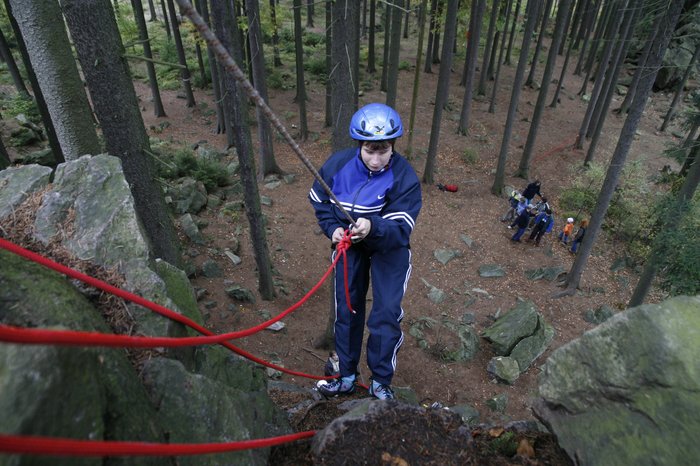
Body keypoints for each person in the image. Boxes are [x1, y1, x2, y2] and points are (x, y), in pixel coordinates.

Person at [309, 103, 422, 401]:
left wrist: (373, 227)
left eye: (382, 151)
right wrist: (332, 228)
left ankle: (380, 382)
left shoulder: (404, 176)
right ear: (359, 145)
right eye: (369, 150)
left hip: (389, 247)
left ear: (392, 146)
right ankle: (345, 375)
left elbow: (401, 228)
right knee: (347, 308)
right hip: (350, 243)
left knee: (385, 313)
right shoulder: (338, 165)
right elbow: (319, 200)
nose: (375, 159)